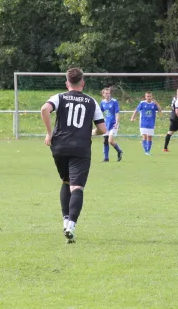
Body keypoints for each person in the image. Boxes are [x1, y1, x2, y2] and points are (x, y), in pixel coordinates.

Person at [40, 68, 106, 244]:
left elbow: (45, 109)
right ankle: (71, 226)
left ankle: (64, 221)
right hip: (81, 149)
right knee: (77, 187)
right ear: (82, 83)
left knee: (66, 181)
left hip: (59, 147)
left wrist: (49, 133)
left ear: (67, 83)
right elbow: (103, 130)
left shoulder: (59, 97)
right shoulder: (91, 101)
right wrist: (89, 132)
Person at [99, 87, 123, 162]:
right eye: (106, 93)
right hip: (106, 124)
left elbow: (117, 113)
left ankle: (119, 151)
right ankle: (106, 158)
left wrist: (116, 123)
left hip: (113, 124)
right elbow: (100, 112)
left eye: (108, 93)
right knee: (105, 141)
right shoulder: (102, 102)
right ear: (103, 94)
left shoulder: (114, 102)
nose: (107, 94)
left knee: (110, 140)